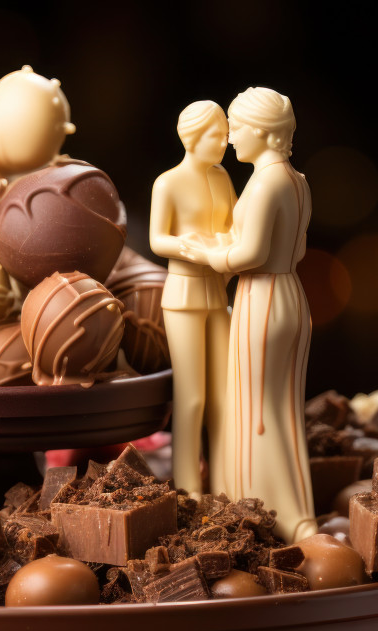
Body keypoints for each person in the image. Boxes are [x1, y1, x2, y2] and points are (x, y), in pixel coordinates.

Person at [180, 87, 317, 543]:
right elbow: (292, 248)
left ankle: (268, 512)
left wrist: (206, 252)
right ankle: (295, 508)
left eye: (236, 128)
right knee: (282, 407)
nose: (232, 137)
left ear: (261, 131)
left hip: (261, 297)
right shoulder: (298, 180)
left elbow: (250, 255)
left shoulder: (264, 182)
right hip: (292, 295)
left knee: (255, 410)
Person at [148, 101, 237, 497]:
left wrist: (228, 246)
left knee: (222, 395)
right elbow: (157, 239)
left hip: (218, 291)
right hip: (183, 293)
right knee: (192, 396)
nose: (224, 143)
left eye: (226, 136)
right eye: (216, 136)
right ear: (193, 137)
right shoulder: (167, 182)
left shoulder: (222, 178)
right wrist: (187, 246)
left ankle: (224, 483)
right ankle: (189, 489)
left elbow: (235, 227)